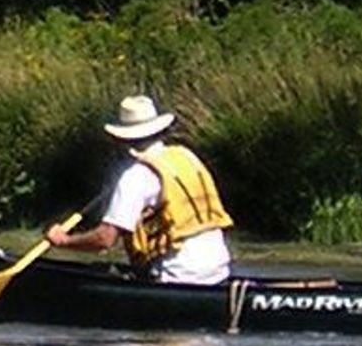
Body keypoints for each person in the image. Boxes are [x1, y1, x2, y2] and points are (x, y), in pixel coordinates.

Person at [46, 93, 235, 286]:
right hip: (219, 271)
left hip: (178, 277)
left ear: (123, 140)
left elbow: (105, 239)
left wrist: (63, 241)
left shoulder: (136, 176)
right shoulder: (187, 157)